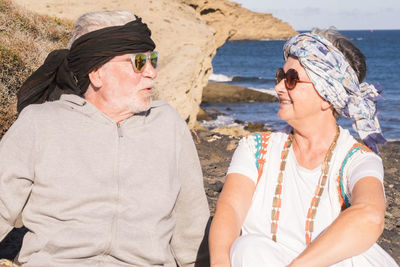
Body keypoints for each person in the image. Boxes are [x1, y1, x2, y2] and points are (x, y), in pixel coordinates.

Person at [0, 10, 210, 266]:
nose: (152, 72)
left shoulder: (167, 125)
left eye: (152, 59)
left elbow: (192, 222)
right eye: (139, 63)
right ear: (96, 73)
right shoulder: (39, 123)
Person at [209, 28, 398, 266]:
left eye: (291, 79)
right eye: (280, 75)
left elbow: (369, 215)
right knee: (247, 249)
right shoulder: (255, 148)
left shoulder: (357, 160)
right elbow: (230, 210)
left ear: (327, 95)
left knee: (355, 254)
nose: (278, 87)